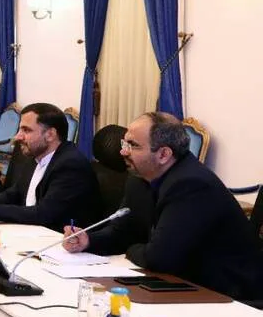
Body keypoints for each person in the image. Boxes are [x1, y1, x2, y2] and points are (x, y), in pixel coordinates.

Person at [62, 112, 263, 302]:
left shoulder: (191, 185)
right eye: (125, 143)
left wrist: (131, 248)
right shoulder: (139, 178)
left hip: (228, 295)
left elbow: (159, 259)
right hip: (181, 284)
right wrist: (88, 240)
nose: (123, 151)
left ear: (164, 154)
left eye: (133, 145)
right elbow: (122, 231)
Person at [0, 102, 100, 231]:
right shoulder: (36, 155)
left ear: (50, 135)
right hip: (33, 232)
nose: (17, 137)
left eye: (26, 130)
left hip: (59, 241)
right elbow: (14, 194)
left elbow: (44, 214)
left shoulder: (71, 165)